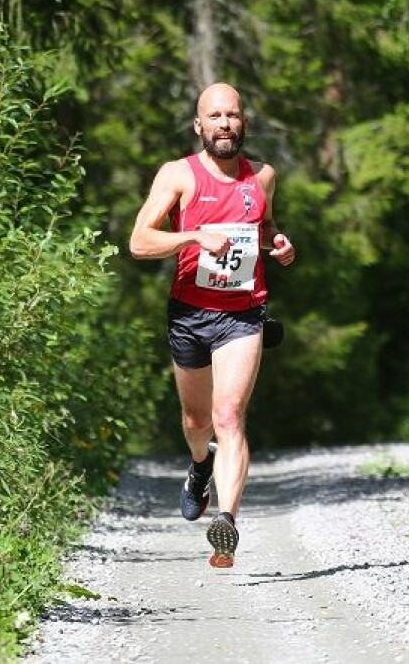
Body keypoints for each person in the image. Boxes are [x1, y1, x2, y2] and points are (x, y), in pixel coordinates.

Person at [128, 82, 296, 569]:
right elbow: (140, 241)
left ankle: (227, 520)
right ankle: (200, 467)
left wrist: (280, 246)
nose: (225, 124)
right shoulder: (178, 175)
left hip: (243, 314)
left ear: (244, 122)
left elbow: (264, 233)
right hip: (189, 314)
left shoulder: (262, 177)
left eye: (233, 116)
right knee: (197, 423)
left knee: (228, 416)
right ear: (199, 126)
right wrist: (194, 237)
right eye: (215, 117)